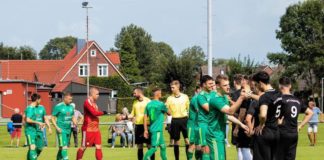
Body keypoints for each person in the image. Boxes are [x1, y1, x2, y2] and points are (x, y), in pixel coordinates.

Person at [208, 74, 249, 160]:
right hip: (213, 136)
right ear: (218, 86)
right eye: (225, 85)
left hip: (220, 136)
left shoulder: (224, 98)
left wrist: (241, 124)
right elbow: (230, 111)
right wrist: (241, 98)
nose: (228, 87)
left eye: (228, 84)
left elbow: (227, 116)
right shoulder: (216, 99)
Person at [275, 77, 313, 160]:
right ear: (290, 86)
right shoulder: (298, 100)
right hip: (293, 134)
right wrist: (300, 126)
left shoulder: (279, 99)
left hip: (282, 132)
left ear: (280, 86)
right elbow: (310, 113)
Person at [251, 71, 281, 160]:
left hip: (265, 132)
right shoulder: (278, 94)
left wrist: (260, 125)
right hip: (276, 132)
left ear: (260, 83)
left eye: (256, 84)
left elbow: (263, 115)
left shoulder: (265, 96)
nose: (256, 87)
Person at [76, 87, 108, 160]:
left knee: (98, 146)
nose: (98, 95)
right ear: (92, 94)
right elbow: (94, 113)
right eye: (97, 94)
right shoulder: (87, 102)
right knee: (83, 147)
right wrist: (103, 112)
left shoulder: (94, 103)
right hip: (88, 129)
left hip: (96, 130)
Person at [165, 80, 190, 160]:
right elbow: (166, 108)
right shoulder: (169, 98)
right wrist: (167, 111)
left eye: (173, 87)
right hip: (175, 120)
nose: (171, 89)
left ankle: (188, 158)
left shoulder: (185, 96)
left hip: (184, 120)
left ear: (178, 87)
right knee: (176, 141)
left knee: (187, 140)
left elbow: (189, 108)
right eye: (171, 87)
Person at [128, 87, 154, 160]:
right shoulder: (135, 102)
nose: (133, 95)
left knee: (149, 145)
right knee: (139, 146)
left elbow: (152, 114)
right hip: (138, 126)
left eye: (134, 93)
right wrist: (126, 116)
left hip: (147, 126)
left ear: (140, 93)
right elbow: (132, 114)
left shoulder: (148, 101)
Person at [143, 87, 169, 160]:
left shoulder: (148, 104)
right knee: (154, 148)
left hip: (153, 129)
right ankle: (145, 158)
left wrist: (145, 130)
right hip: (157, 130)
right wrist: (166, 106)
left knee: (163, 146)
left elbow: (144, 118)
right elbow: (169, 113)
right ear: (157, 94)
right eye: (160, 93)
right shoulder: (161, 104)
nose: (161, 94)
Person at [231, 75, 253, 160]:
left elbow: (242, 112)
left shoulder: (240, 93)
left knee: (243, 148)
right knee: (244, 148)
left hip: (243, 124)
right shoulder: (254, 92)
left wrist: (237, 127)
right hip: (252, 124)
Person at [24, 93, 51, 160]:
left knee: (39, 148)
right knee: (32, 147)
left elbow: (45, 118)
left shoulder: (42, 107)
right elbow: (28, 119)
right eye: (40, 99)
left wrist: (49, 127)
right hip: (30, 130)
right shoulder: (30, 108)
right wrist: (38, 122)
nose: (41, 101)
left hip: (39, 131)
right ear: (37, 100)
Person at [52, 92, 77, 160]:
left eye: (71, 99)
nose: (70, 101)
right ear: (65, 98)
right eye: (69, 99)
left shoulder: (71, 107)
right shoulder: (58, 106)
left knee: (61, 148)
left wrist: (75, 123)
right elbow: (52, 118)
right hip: (61, 129)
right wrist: (57, 127)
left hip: (68, 129)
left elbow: (72, 116)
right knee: (64, 147)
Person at [196, 75, 216, 160]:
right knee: (206, 149)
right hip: (203, 125)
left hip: (213, 125)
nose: (212, 85)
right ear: (204, 85)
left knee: (213, 149)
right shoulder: (200, 96)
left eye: (212, 83)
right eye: (210, 83)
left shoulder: (214, 94)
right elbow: (208, 108)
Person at [187, 85, 203, 160]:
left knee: (199, 146)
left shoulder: (201, 98)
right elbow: (198, 111)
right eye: (201, 89)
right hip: (192, 125)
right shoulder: (195, 98)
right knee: (192, 145)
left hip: (198, 125)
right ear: (198, 90)